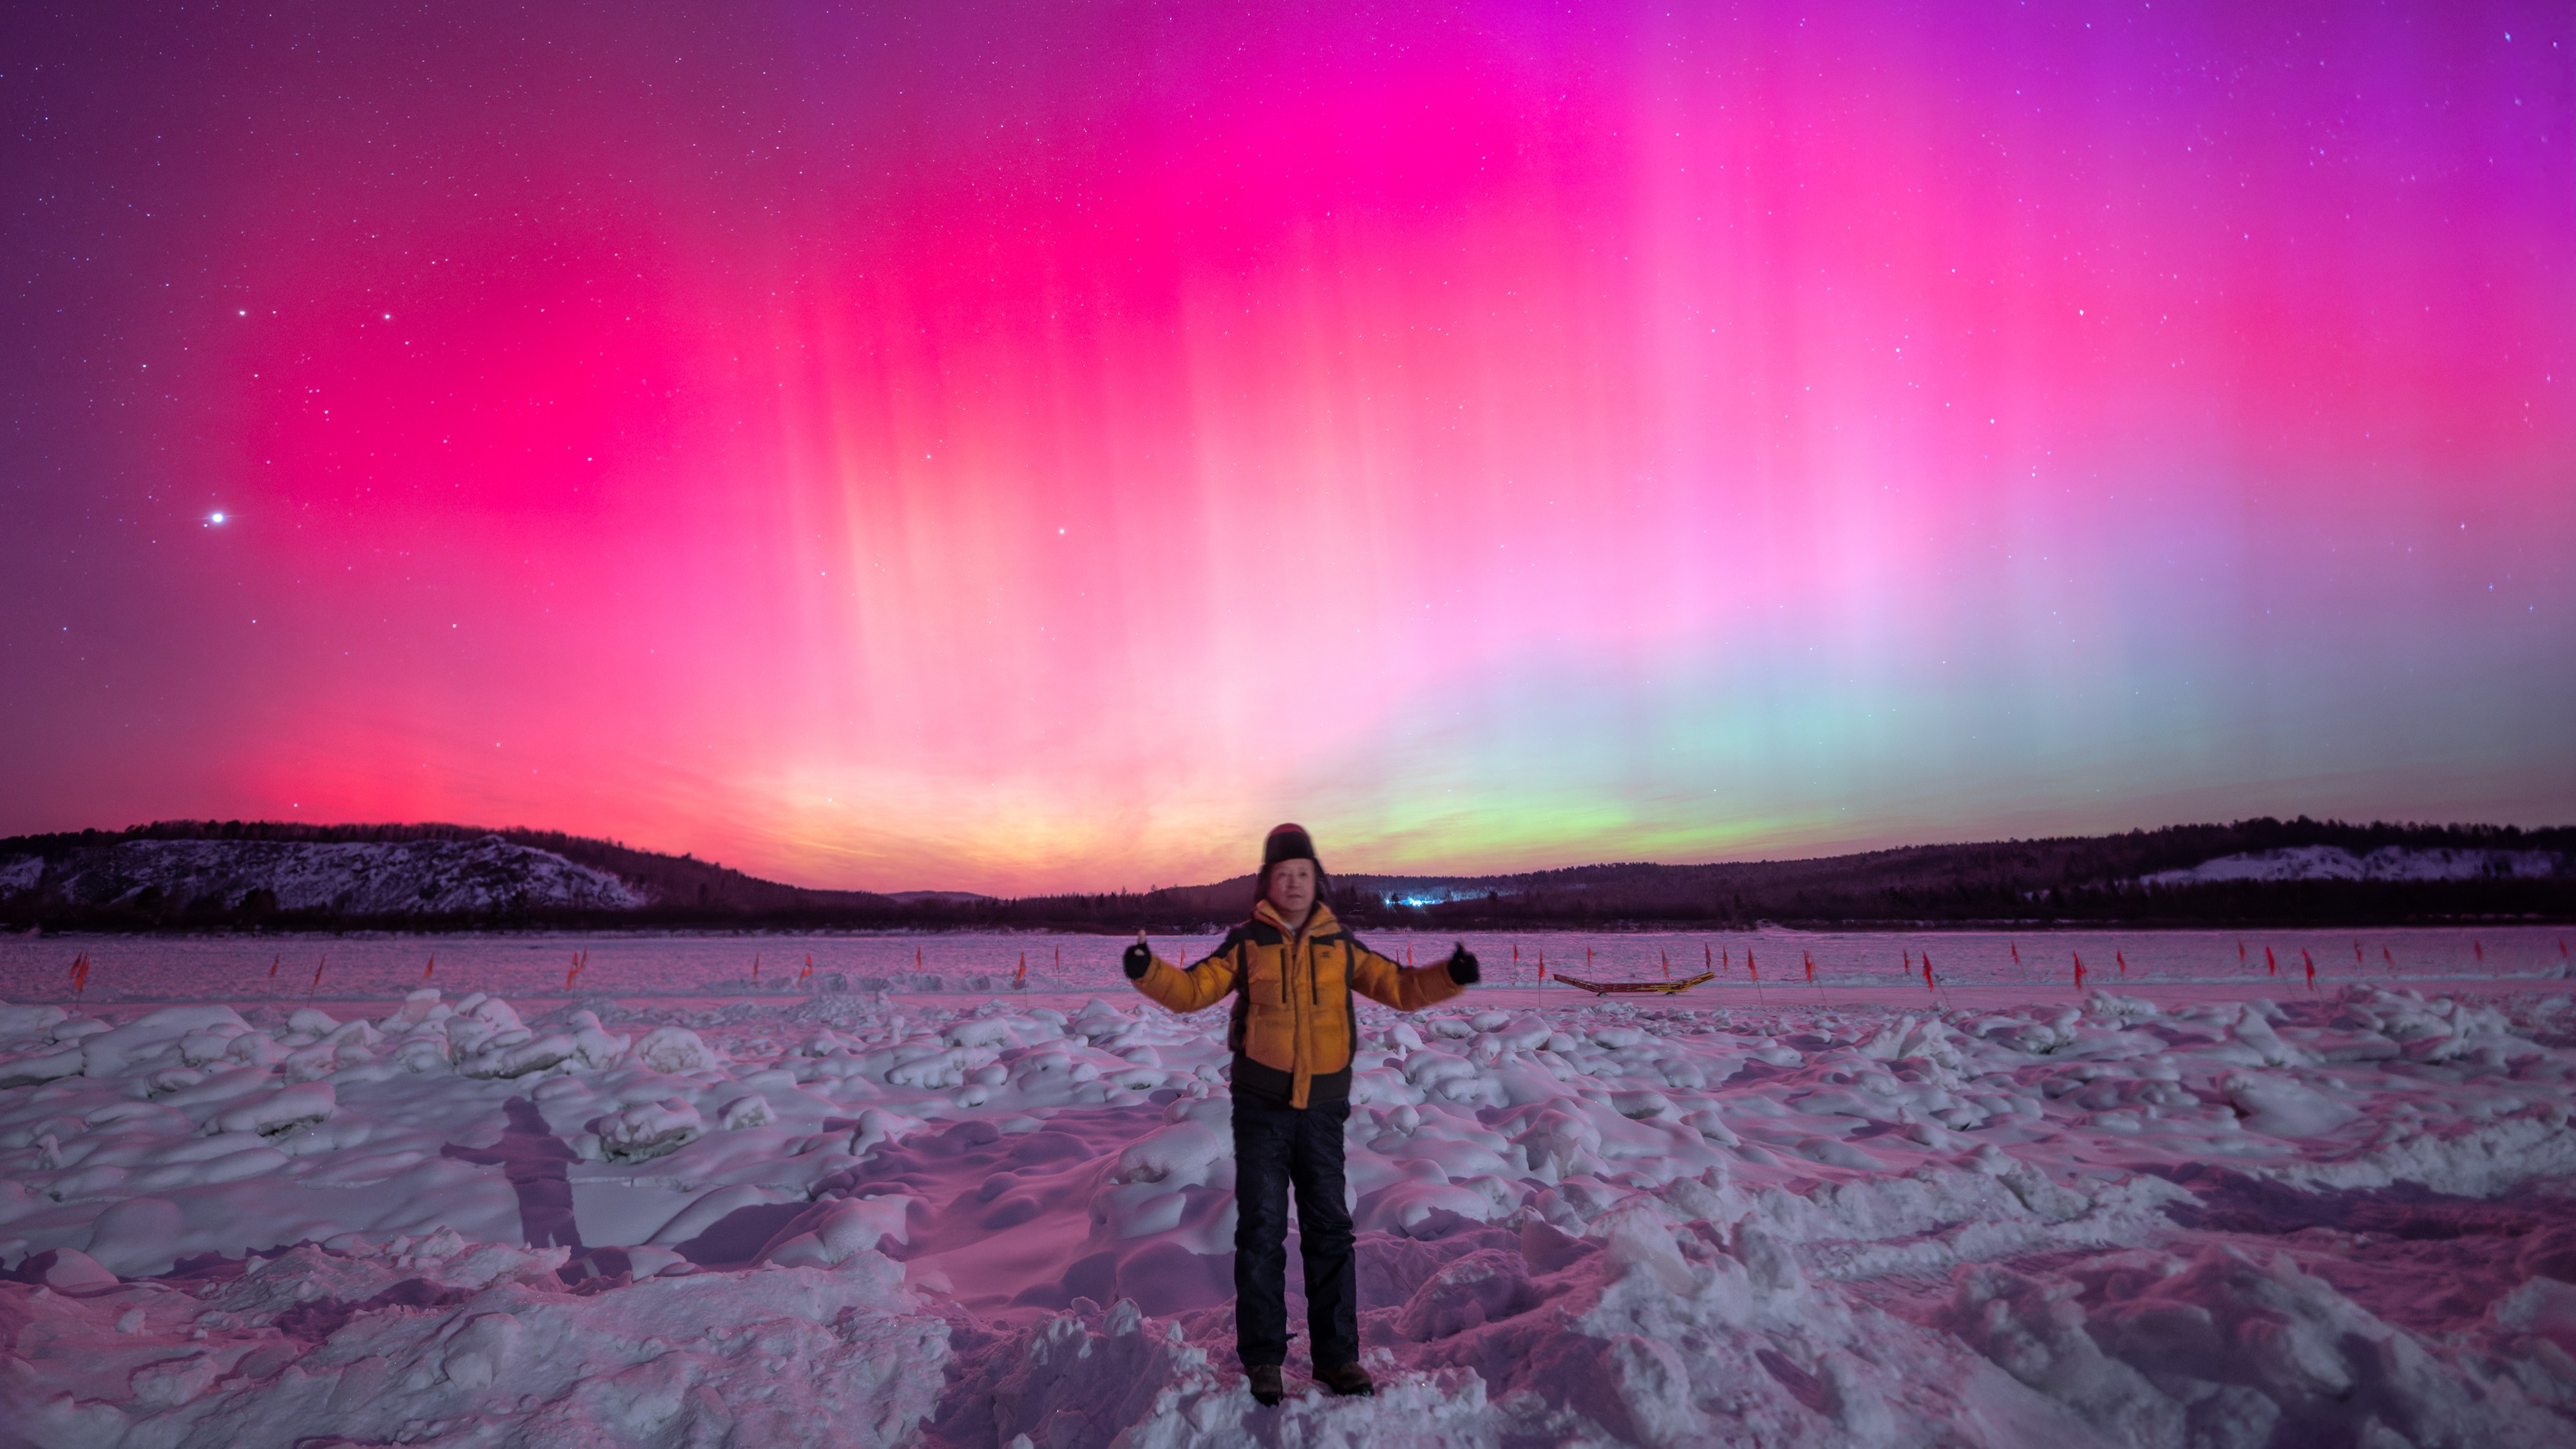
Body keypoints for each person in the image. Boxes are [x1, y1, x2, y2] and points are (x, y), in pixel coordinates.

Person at [1122, 822, 1479, 1406]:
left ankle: (1338, 1359)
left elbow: (1399, 987)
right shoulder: (1246, 942)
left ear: (1318, 881)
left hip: (1322, 1112)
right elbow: (1192, 991)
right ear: (1267, 882)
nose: (1293, 883)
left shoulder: (1340, 945)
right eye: (1282, 874)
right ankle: (1264, 1360)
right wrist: (1147, 970)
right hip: (1261, 1110)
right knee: (1260, 1233)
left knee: (1330, 1232)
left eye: (1303, 874)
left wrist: (1450, 976)